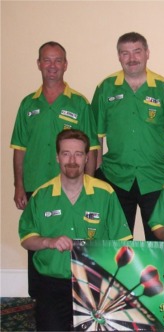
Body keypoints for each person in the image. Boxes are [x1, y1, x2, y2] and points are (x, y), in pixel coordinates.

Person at [18, 129, 132, 331]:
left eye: (78, 154)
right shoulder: (41, 195)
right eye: (66, 153)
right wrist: (48, 241)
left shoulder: (105, 193)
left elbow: (122, 241)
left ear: (87, 157)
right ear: (57, 157)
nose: (72, 160)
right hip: (52, 283)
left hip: (94, 284)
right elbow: (27, 238)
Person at [10, 41, 99, 297]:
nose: (52, 65)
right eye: (47, 60)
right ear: (39, 64)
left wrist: (89, 184)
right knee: (37, 238)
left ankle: (84, 296)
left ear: (65, 64)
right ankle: (41, 296)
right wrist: (18, 185)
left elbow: (92, 149)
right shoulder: (28, 104)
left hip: (74, 185)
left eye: (58, 60)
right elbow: (19, 148)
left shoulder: (79, 103)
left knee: (78, 239)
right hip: (36, 185)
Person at [92, 32, 164, 241]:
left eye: (137, 51)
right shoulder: (105, 89)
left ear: (147, 53)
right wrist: (97, 176)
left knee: (159, 245)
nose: (132, 58)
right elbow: (96, 139)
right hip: (116, 179)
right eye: (125, 53)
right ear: (119, 56)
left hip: (157, 180)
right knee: (114, 244)